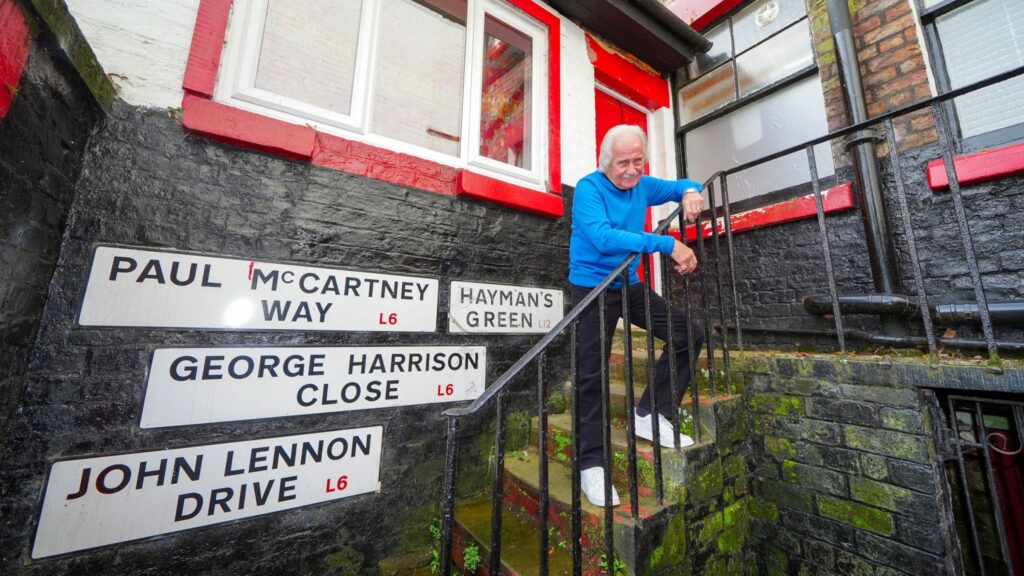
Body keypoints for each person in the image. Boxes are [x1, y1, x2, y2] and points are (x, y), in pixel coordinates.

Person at [569, 124, 706, 507]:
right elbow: (602, 236)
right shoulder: (589, 189)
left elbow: (680, 185)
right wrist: (665, 242)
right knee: (592, 376)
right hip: (592, 289)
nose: (631, 170)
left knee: (689, 335)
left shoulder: (642, 184)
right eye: (622, 162)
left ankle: (649, 413)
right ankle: (591, 465)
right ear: (605, 162)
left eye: (637, 161)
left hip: (627, 286)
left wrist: (691, 190)